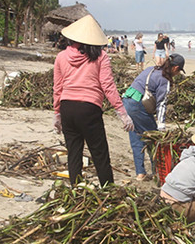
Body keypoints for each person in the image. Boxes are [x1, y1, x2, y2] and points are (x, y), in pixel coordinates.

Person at [53, 15, 135, 187]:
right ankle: (108, 190)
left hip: (67, 107)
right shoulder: (100, 57)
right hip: (89, 109)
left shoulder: (61, 56)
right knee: (99, 153)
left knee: (73, 152)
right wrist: (122, 112)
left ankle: (76, 190)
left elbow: (57, 88)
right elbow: (108, 86)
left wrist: (57, 114)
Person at [122, 54, 186, 181]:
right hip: (137, 105)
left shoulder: (151, 69)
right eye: (179, 71)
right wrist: (161, 126)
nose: (178, 74)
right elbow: (161, 104)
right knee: (154, 139)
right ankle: (158, 172)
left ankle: (140, 173)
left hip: (127, 101)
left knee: (136, 138)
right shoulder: (164, 80)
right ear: (175, 68)